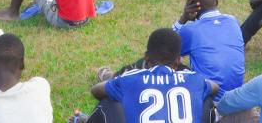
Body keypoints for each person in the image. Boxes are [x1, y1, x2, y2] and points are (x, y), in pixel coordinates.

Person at [83, 29, 218, 123]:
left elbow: (96, 90)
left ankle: (84, 120)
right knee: (206, 100)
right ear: (178, 60)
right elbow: (214, 87)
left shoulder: (130, 78)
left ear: (146, 57)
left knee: (108, 100)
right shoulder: (194, 79)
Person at [173, 0, 245, 95]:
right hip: (235, 97)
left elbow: (165, 48)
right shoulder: (233, 21)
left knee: (170, 62)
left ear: (191, 5)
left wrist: (183, 18)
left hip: (209, 99)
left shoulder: (191, 30)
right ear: (216, 2)